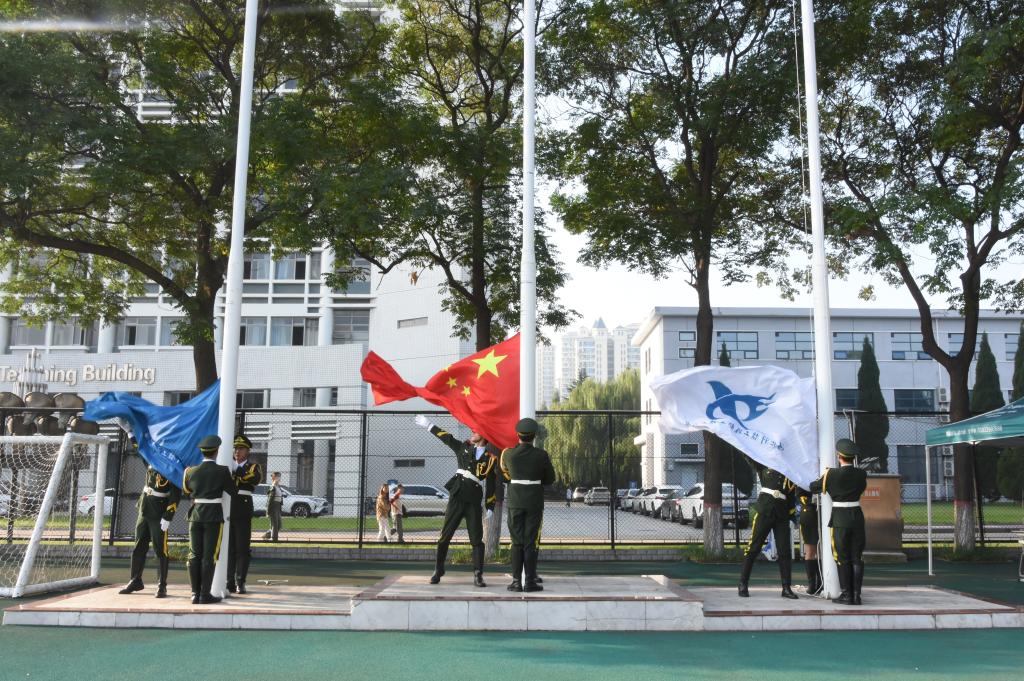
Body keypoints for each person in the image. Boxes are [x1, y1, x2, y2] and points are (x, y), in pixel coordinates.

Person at [413, 414, 499, 588]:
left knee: (476, 539)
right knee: (445, 536)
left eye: (475, 431)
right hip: (457, 495)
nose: (472, 433)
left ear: (483, 436)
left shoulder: (491, 459)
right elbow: (447, 438)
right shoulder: (463, 448)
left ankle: (478, 574)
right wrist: (429, 425)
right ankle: (438, 570)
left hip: (473, 500)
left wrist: (490, 505)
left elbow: (491, 484)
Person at [809, 438, 868, 605]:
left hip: (840, 519)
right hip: (857, 517)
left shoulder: (831, 474)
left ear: (839, 456)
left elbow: (813, 487)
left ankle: (847, 594)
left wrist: (824, 475)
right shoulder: (861, 474)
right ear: (853, 457)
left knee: (841, 557)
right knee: (857, 557)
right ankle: (856, 595)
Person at [500, 418, 555, 593]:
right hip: (534, 502)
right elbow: (550, 479)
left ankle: (516, 582)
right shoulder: (541, 455)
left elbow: (503, 475)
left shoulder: (508, 454)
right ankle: (530, 582)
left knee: (516, 542)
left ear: (518, 435)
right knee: (530, 542)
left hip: (515, 502)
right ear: (534, 436)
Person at [182, 435, 236, 605]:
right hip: (213, 516)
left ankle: (194, 594)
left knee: (194, 554)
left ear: (202, 452)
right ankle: (204, 594)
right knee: (209, 555)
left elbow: (187, 490)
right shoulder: (222, 471)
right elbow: (233, 491)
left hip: (195, 515)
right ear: (216, 451)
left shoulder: (190, 471)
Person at [118, 460, 181, 599]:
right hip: (144, 508)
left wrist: (168, 515)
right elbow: (141, 451)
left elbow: (176, 493)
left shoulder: (172, 466)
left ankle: (162, 585)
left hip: (158, 512)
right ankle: (135, 580)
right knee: (138, 546)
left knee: (160, 550)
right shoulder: (151, 458)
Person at [738, 459, 799, 600]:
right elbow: (750, 455)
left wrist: (791, 515)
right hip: (765, 511)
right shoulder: (764, 463)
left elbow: (791, 496)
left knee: (785, 551)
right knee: (753, 548)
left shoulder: (789, 471)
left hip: (782, 514)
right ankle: (743, 583)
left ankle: (786, 588)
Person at [227, 435, 263, 594]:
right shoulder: (227, 465)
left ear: (247, 451)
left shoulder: (254, 467)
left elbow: (254, 479)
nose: (237, 451)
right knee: (228, 548)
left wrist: (237, 468)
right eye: (235, 448)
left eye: (240, 448)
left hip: (242, 507)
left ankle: (240, 581)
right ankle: (228, 581)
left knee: (242, 548)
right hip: (227, 506)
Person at [796, 487, 822, 595]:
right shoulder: (803, 480)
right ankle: (812, 585)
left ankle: (821, 583)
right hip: (809, 513)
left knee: (822, 551)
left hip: (824, 512)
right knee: (810, 551)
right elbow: (801, 495)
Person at [263, 472, 283, 541]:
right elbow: (270, 500)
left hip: (278, 506)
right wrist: (268, 511)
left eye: (280, 476)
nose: (279, 478)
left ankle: (267, 535)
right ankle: (274, 539)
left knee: (279, 524)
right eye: (278, 477)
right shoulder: (273, 486)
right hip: (273, 506)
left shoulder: (278, 487)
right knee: (274, 523)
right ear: (275, 478)